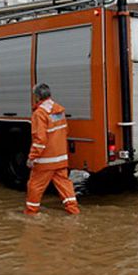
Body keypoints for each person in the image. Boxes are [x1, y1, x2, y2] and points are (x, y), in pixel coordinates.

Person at [24, 83, 80, 215]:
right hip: (60, 158)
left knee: (35, 186)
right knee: (65, 185)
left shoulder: (40, 114)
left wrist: (32, 157)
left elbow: (40, 140)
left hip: (46, 161)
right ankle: (73, 210)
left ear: (37, 97)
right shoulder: (59, 110)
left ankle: (30, 213)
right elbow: (64, 131)